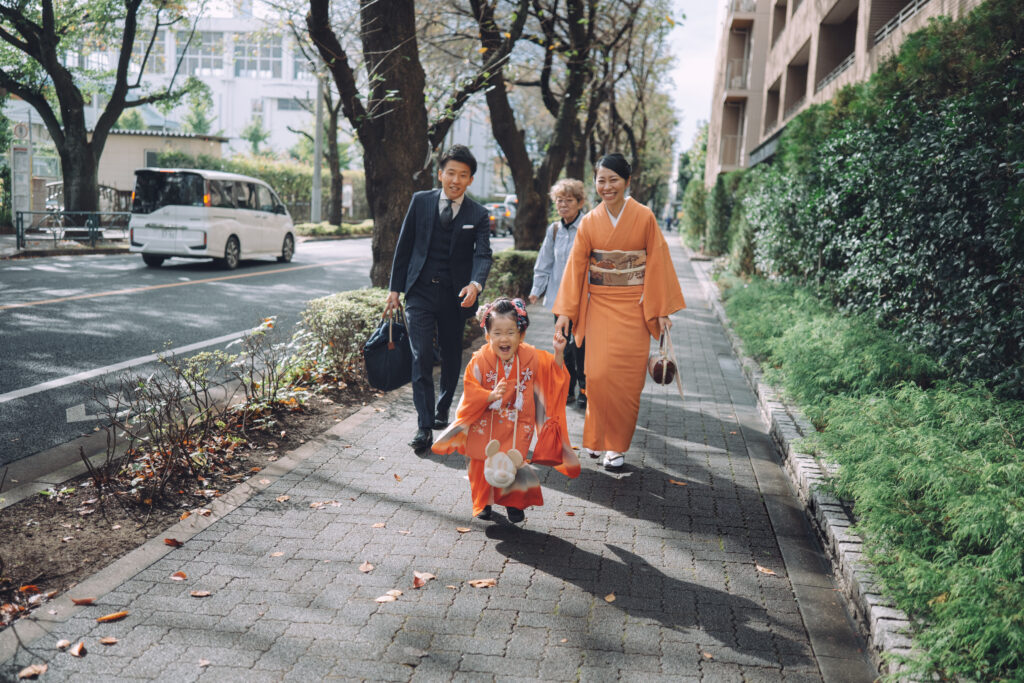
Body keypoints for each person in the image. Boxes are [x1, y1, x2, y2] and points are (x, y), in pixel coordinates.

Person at [553, 154, 685, 471]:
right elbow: (576, 266)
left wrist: (662, 308)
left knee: (626, 382)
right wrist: (565, 312)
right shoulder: (590, 221)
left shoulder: (644, 217)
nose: (607, 186)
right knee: (597, 377)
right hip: (598, 305)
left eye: (614, 179)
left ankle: (617, 447)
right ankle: (596, 439)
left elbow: (658, 260)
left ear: (627, 182)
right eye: (601, 180)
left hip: (636, 308)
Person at [432, 298, 581, 523]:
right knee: (481, 461)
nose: (504, 338)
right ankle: (483, 503)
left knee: (514, 459)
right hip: (485, 421)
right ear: (487, 335)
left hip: (518, 422)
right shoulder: (480, 360)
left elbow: (554, 376)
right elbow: (470, 388)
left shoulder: (530, 356)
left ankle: (513, 503)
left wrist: (559, 353)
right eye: (497, 333)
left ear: (521, 335)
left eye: (510, 332)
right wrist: (490, 396)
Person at [386, 145, 493, 452]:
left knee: (449, 354)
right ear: (440, 174)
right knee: (420, 355)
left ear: (470, 179)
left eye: (463, 175)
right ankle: (423, 426)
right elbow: (404, 246)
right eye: (450, 173)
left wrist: (475, 284)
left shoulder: (479, 214)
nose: (455, 180)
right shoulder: (421, 202)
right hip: (419, 290)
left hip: (456, 295)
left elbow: (483, 254)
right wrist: (395, 289)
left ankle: (443, 407)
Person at [529, 178, 587, 408]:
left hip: (583, 298)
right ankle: (569, 386)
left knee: (581, 345)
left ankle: (584, 387)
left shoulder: (588, 226)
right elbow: (545, 262)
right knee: (563, 342)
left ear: (580, 202)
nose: (563, 205)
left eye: (569, 200)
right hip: (558, 298)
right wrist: (536, 290)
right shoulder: (553, 230)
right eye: (559, 201)